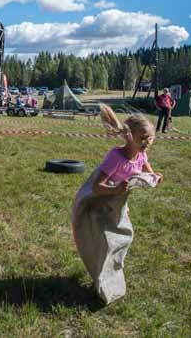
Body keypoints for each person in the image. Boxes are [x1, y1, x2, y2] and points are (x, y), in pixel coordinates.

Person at [71, 104, 162, 304]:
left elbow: (147, 171)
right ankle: (102, 280)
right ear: (129, 135)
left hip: (117, 203)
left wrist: (154, 177)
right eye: (143, 137)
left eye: (151, 138)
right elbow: (97, 186)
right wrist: (116, 189)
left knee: (124, 238)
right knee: (106, 242)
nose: (147, 142)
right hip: (99, 202)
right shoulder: (116, 157)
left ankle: (109, 276)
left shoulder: (141, 154)